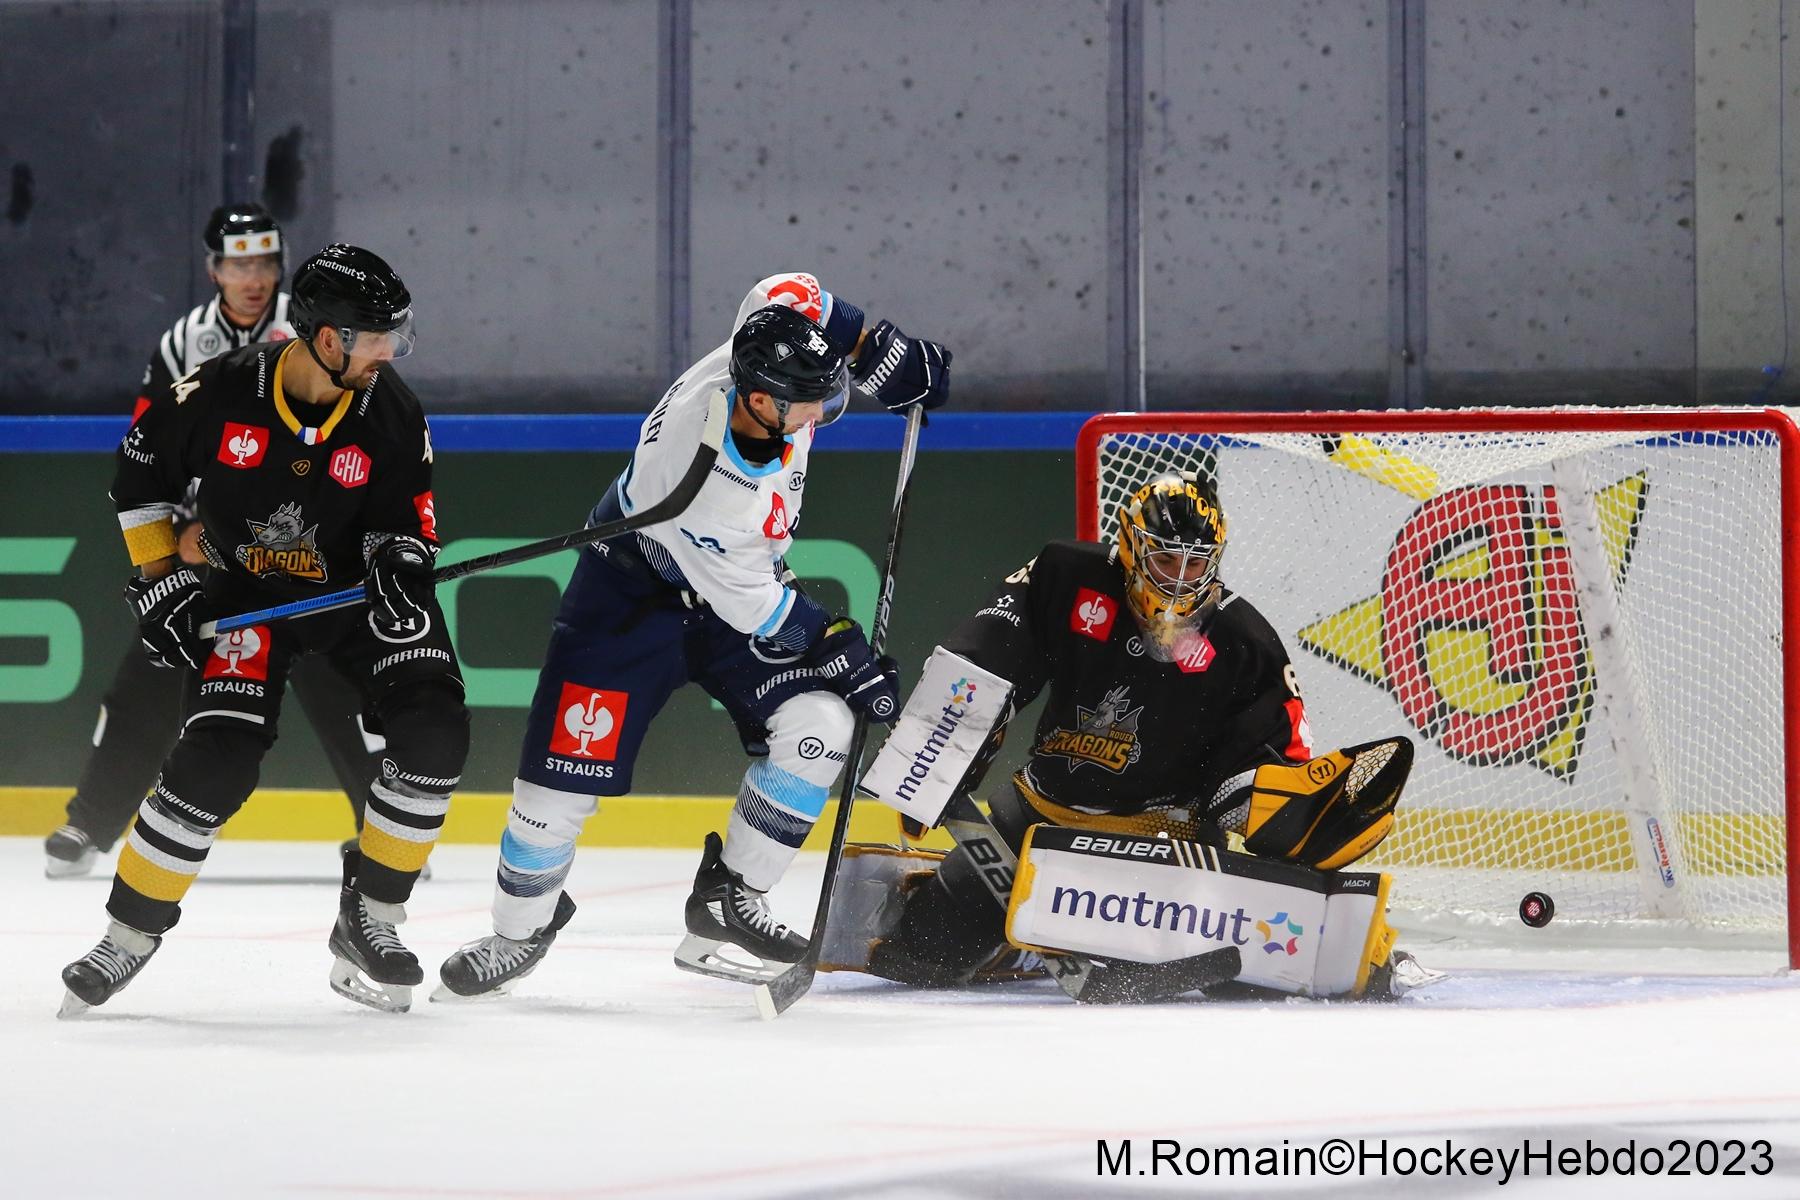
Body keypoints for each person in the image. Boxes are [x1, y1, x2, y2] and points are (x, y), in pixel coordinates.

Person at [434, 273, 950, 998]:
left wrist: (872, 345)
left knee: (821, 722)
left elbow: (787, 288)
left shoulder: (751, 354)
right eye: (810, 402)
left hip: (729, 592)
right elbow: (758, 609)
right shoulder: (706, 483)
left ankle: (728, 901)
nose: (821, 412)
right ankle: (516, 933)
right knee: (551, 794)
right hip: (630, 597)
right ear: (764, 400)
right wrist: (840, 643)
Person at [59, 244, 467, 1016]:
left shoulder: (393, 410)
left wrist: (401, 564)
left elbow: (409, 519)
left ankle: (372, 917)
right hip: (248, 597)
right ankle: (126, 936)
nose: (388, 352)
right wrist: (162, 578)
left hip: (352, 598)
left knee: (435, 729)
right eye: (373, 336)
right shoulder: (218, 391)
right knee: (214, 761)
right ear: (323, 339)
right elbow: (138, 476)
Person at [849, 471, 1420, 998]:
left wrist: (1287, 825)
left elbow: (1272, 767)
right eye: (1165, 559)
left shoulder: (1246, 641)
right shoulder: (1065, 576)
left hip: (1163, 849)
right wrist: (930, 758)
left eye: (1195, 565)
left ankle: (1043, 933)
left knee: (1245, 980)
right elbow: (985, 658)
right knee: (918, 958)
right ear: (1129, 546)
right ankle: (1013, 939)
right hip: (1034, 823)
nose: (1179, 580)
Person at [43, 203, 384, 880]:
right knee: (154, 662)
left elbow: (363, 431)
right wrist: (175, 535)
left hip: (305, 541)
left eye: (264, 262)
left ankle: (381, 828)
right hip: (212, 547)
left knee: (335, 672)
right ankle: (89, 821)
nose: (253, 277)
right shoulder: (180, 344)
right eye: (238, 263)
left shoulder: (319, 330)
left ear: (280, 265)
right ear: (214, 270)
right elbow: (147, 449)